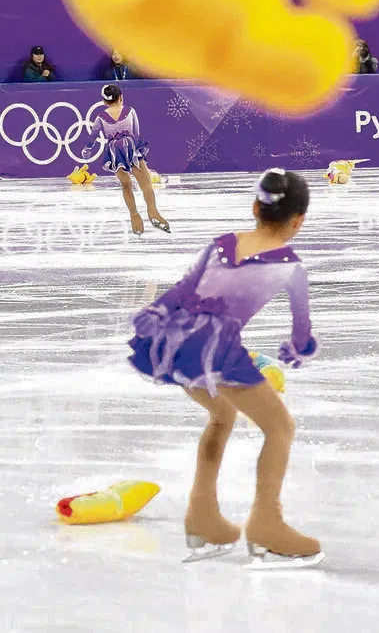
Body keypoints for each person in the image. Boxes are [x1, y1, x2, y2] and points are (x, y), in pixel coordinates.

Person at [127, 170, 322, 566]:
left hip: (174, 342)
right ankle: (267, 525)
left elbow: (183, 289)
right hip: (215, 351)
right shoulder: (290, 267)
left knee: (222, 416)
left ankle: (203, 520)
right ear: (298, 220)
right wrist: (299, 349)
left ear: (255, 208)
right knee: (280, 427)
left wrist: (155, 311)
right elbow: (302, 334)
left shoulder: (220, 245)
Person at [83, 83, 169, 235]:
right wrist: (140, 152)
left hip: (115, 152)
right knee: (146, 183)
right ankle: (153, 212)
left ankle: (134, 216)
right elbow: (136, 133)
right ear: (121, 97)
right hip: (131, 148)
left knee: (126, 185)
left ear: (104, 101)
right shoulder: (130, 111)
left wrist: (87, 149)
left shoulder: (100, 117)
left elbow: (93, 136)